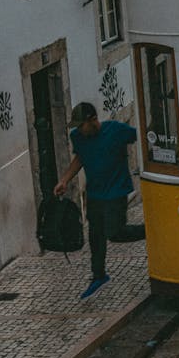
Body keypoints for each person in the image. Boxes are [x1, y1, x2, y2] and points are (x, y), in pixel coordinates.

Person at [53, 102, 144, 299]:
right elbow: (80, 159)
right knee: (96, 236)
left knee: (115, 232)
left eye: (81, 125)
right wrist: (64, 180)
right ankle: (99, 275)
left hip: (116, 191)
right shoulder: (78, 137)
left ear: (93, 120)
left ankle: (151, 231)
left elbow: (143, 137)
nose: (79, 129)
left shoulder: (116, 130)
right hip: (95, 194)